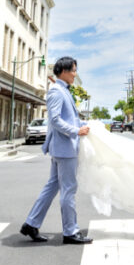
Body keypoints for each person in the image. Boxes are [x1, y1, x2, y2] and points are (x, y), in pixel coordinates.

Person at [19, 56, 93, 245]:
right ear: (64, 71)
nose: (75, 74)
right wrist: (76, 131)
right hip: (65, 149)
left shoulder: (63, 91)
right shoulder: (56, 92)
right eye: (74, 70)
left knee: (52, 186)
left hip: (61, 148)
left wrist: (86, 125)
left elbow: (69, 119)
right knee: (69, 190)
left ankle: (31, 224)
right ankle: (70, 231)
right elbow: (55, 120)